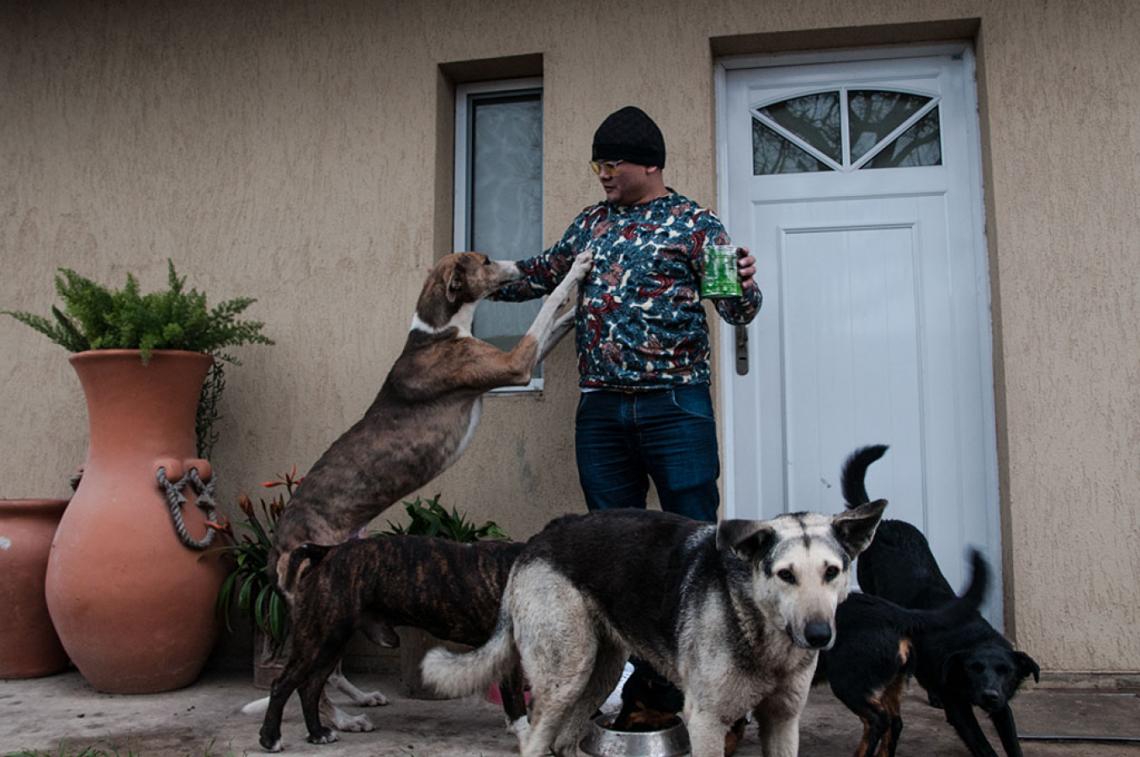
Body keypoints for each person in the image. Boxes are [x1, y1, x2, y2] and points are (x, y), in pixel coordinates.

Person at [492, 105, 762, 726]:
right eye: (597, 163)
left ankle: (710, 690)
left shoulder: (698, 226)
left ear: (649, 163)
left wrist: (745, 282)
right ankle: (634, 688)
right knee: (616, 552)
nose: (602, 174)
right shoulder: (591, 223)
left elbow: (738, 312)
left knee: (696, 546)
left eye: (610, 163)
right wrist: (476, 279)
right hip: (602, 411)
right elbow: (542, 273)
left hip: (676, 408)